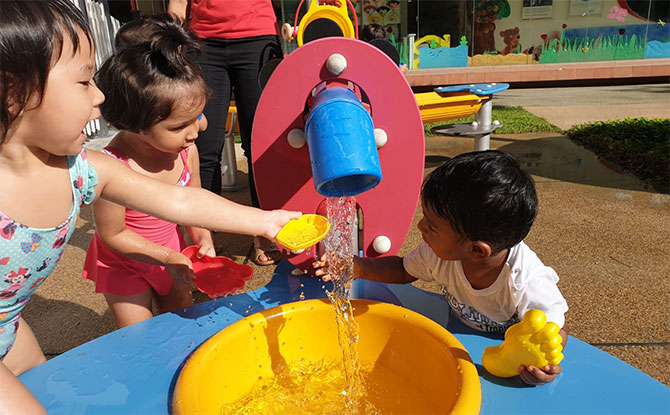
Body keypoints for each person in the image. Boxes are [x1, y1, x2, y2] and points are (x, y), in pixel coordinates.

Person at [0, 1, 300, 412]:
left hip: (9, 326)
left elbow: (181, 199)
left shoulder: (85, 169)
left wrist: (267, 221)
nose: (100, 96)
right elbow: (114, 234)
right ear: (15, 94)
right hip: (100, 283)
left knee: (46, 389)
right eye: (85, 81)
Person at [315, 150, 568, 386]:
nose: (421, 227)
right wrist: (358, 267)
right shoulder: (439, 254)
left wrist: (542, 363)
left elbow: (554, 331)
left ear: (476, 251)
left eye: (432, 226)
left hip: (498, 350)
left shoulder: (527, 282)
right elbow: (403, 271)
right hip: (459, 335)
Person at [81, 15, 216, 329]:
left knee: (179, 322)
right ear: (137, 124)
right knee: (138, 336)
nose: (195, 130)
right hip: (124, 263)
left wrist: (203, 238)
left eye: (196, 117)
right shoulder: (113, 167)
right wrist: (167, 258)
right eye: (180, 125)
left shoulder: (187, 151)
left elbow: (194, 203)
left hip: (170, 249)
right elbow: (113, 234)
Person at [168, 0, 283, 266]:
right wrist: (170, 37)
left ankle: (263, 229)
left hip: (258, 38)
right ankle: (203, 234)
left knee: (260, 143)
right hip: (203, 42)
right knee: (202, 143)